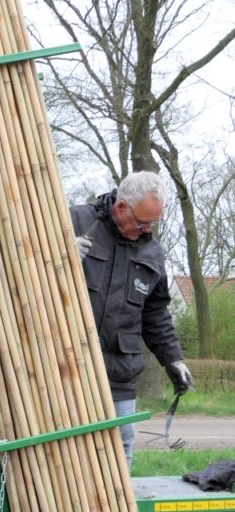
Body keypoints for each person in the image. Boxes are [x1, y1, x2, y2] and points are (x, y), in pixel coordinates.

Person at [70, 171, 193, 463]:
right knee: (69, 449)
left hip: (119, 371)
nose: (147, 229)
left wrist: (173, 359)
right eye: (142, 222)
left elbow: (155, 313)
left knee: (120, 447)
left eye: (153, 223)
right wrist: (56, 255)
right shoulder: (75, 221)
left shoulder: (151, 251)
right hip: (68, 365)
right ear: (122, 206)